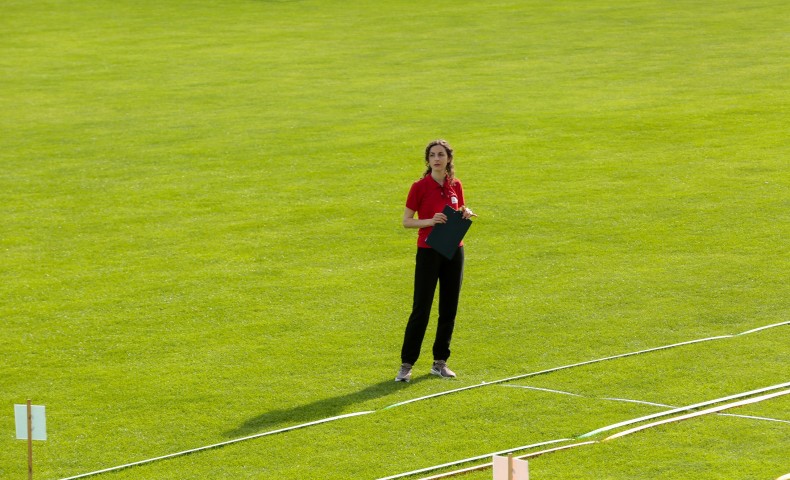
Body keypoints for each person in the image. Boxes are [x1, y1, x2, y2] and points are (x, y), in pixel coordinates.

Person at [395, 139, 476, 382]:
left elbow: (459, 209)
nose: (437, 159)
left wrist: (465, 212)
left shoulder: (455, 185)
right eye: (432, 155)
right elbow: (407, 221)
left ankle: (440, 362)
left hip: (454, 251)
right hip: (428, 251)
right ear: (428, 160)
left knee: (449, 308)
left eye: (441, 154)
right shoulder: (419, 187)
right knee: (421, 308)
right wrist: (431, 221)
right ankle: (406, 365)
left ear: (448, 158)